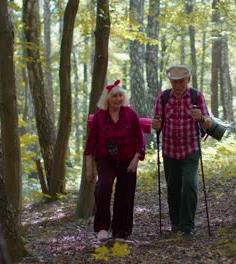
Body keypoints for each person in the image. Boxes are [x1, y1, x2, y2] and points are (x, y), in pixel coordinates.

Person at [151, 65, 212, 239]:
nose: (178, 85)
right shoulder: (163, 97)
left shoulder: (196, 96)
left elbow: (207, 122)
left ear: (188, 80)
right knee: (173, 187)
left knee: (190, 184)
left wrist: (201, 117)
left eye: (181, 81)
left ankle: (187, 226)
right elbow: (157, 122)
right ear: (170, 81)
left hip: (191, 148)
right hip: (169, 149)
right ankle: (175, 223)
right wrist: (156, 125)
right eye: (175, 81)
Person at [84, 80, 145, 241]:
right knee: (103, 187)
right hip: (105, 159)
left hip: (127, 159)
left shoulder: (130, 114)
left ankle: (121, 231)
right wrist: (89, 168)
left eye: (120, 96)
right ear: (107, 99)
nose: (118, 99)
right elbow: (90, 144)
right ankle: (102, 228)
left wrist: (136, 159)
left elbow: (140, 139)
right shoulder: (99, 117)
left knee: (125, 194)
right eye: (114, 96)